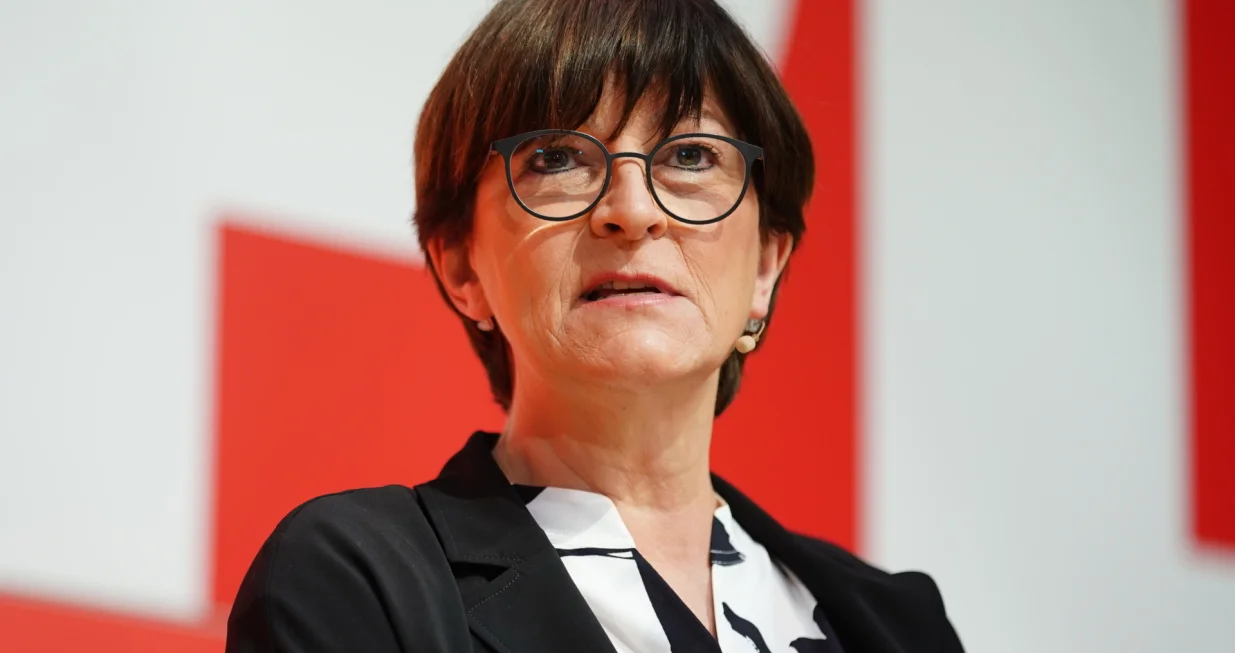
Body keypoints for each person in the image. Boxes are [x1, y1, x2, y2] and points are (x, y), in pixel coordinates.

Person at [225, 1, 964, 651]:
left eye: (691, 156)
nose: (632, 209)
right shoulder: (361, 581)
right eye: (558, 158)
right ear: (460, 267)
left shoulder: (896, 622)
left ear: (766, 266)